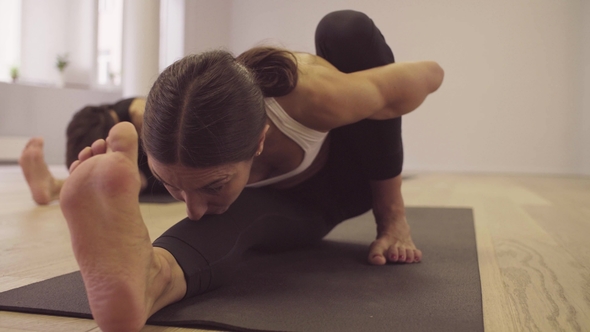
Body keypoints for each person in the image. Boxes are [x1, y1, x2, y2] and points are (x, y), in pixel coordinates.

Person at [59, 10, 444, 332]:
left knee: (346, 29)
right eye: (170, 186)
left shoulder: (316, 94)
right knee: (224, 215)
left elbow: (432, 73)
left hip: (346, 184)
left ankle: (392, 218)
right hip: (279, 206)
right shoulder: (177, 136)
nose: (191, 209)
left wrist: (370, 96)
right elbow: (200, 200)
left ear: (260, 140)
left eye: (213, 184)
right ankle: (151, 277)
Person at [18, 97, 167, 205]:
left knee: (132, 180)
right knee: (122, 180)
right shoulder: (91, 120)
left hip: (159, 162)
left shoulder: (141, 113)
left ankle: (57, 188)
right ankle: (54, 187)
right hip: (138, 165)